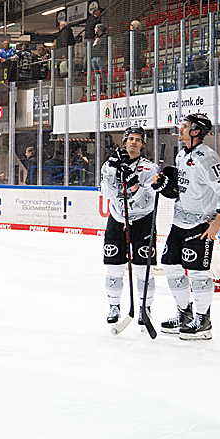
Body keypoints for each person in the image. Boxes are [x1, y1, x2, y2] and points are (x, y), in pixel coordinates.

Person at [151, 114, 220, 341]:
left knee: (199, 273)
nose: (180, 129)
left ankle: (203, 320)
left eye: (185, 126)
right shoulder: (182, 155)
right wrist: (166, 186)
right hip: (178, 224)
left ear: (196, 131)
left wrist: (217, 223)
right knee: (171, 266)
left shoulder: (207, 158)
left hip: (200, 225)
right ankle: (183, 314)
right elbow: (181, 190)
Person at [98, 126, 160, 329]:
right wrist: (112, 170)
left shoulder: (149, 169)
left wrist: (133, 181)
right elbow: (107, 194)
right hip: (117, 219)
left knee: (144, 269)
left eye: (137, 139)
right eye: (130, 139)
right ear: (124, 142)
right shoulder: (109, 165)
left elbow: (146, 204)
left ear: (143, 144)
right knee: (113, 267)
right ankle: (113, 306)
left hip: (142, 221)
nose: (133, 142)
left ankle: (145, 308)